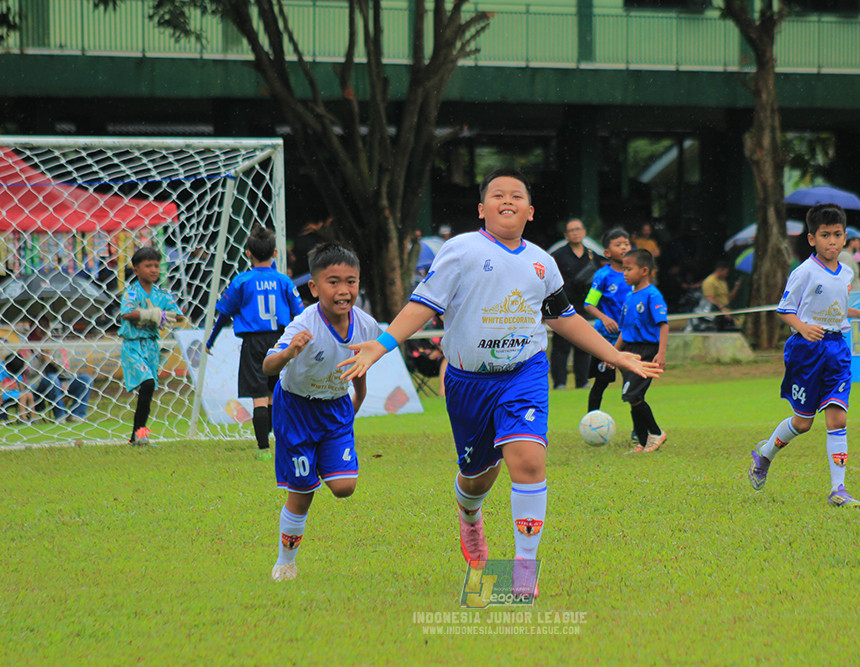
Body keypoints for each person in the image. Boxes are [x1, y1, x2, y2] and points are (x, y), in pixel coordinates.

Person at [338, 168, 661, 599]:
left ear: (530, 211)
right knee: (477, 479)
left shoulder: (542, 263)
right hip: (467, 382)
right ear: (481, 209)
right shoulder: (460, 251)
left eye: (516, 196)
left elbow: (563, 318)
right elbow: (422, 306)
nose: (506, 200)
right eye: (496, 195)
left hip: (524, 373)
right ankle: (469, 515)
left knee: (527, 461)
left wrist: (613, 353)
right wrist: (379, 346)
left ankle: (524, 569)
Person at [263, 243, 381, 582]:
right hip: (296, 408)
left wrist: (360, 391)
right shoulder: (304, 324)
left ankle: (322, 460)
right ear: (314, 288)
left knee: (344, 486)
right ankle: (286, 562)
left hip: (335, 407)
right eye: (333, 282)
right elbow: (269, 365)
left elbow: (362, 362)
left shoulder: (367, 324)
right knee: (302, 494)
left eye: (351, 281)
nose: (343, 290)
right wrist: (289, 353)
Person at [747, 203, 860, 507]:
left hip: (837, 350)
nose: (831, 241)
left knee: (837, 417)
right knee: (803, 423)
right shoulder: (803, 272)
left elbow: (837, 307)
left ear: (845, 237)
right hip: (806, 351)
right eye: (824, 235)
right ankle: (765, 454)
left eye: (836, 235)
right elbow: (785, 310)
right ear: (811, 239)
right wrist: (803, 328)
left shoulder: (845, 272)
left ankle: (838, 489)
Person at [206, 226, 304, 459]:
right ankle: (281, 443)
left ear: (248, 253)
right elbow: (301, 315)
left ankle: (263, 450)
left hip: (253, 343)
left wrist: (211, 340)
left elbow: (224, 314)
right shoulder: (284, 281)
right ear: (276, 253)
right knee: (275, 393)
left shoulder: (242, 281)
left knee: (259, 396)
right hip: (280, 340)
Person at [119, 246, 185, 446]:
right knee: (147, 383)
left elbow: (180, 316)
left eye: (156, 265)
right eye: (148, 265)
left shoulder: (162, 295)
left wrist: (163, 315)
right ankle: (139, 436)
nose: (154, 269)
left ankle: (137, 437)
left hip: (151, 347)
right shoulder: (131, 292)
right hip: (133, 345)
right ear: (136, 270)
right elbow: (127, 313)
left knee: (147, 391)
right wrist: (149, 315)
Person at [615, 248, 670, 454]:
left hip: (647, 350)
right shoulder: (630, 297)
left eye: (629, 269)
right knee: (632, 396)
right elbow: (625, 331)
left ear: (645, 270)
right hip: (630, 351)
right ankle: (643, 440)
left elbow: (663, 324)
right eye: (623, 269)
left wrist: (661, 353)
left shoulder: (652, 295)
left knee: (632, 393)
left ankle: (656, 433)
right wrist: (613, 353)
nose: (625, 273)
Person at [582, 227, 631, 413]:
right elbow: (589, 304)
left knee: (632, 385)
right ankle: (590, 422)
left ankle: (639, 432)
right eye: (618, 245)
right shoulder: (603, 276)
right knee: (601, 383)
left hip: (629, 338)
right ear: (608, 252)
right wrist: (605, 318)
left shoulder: (634, 273)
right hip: (607, 339)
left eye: (626, 243)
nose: (624, 247)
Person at [548, 218, 600, 390]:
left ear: (584, 232)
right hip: (563, 305)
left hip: (584, 306)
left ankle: (582, 381)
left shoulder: (592, 254)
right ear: (566, 235)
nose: (575, 233)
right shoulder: (558, 255)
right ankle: (560, 382)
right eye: (571, 230)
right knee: (561, 346)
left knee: (584, 344)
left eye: (578, 229)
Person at [28, 319, 93, 422]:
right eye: (38, 326)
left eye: (44, 325)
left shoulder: (56, 345)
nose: (41, 329)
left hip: (62, 379)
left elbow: (65, 367)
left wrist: (52, 361)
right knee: (52, 379)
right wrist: (40, 361)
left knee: (86, 379)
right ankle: (60, 415)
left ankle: (77, 414)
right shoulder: (26, 347)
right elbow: (28, 373)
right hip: (38, 383)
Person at [700, 260, 742, 330]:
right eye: (726, 272)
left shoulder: (723, 281)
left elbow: (728, 299)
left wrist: (736, 288)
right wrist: (722, 309)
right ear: (720, 270)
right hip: (717, 315)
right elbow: (709, 299)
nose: (727, 274)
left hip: (727, 313)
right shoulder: (709, 281)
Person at [839, 227, 860, 293]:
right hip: (851, 300)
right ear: (851, 242)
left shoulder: (849, 255)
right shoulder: (845, 256)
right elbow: (845, 281)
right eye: (858, 240)